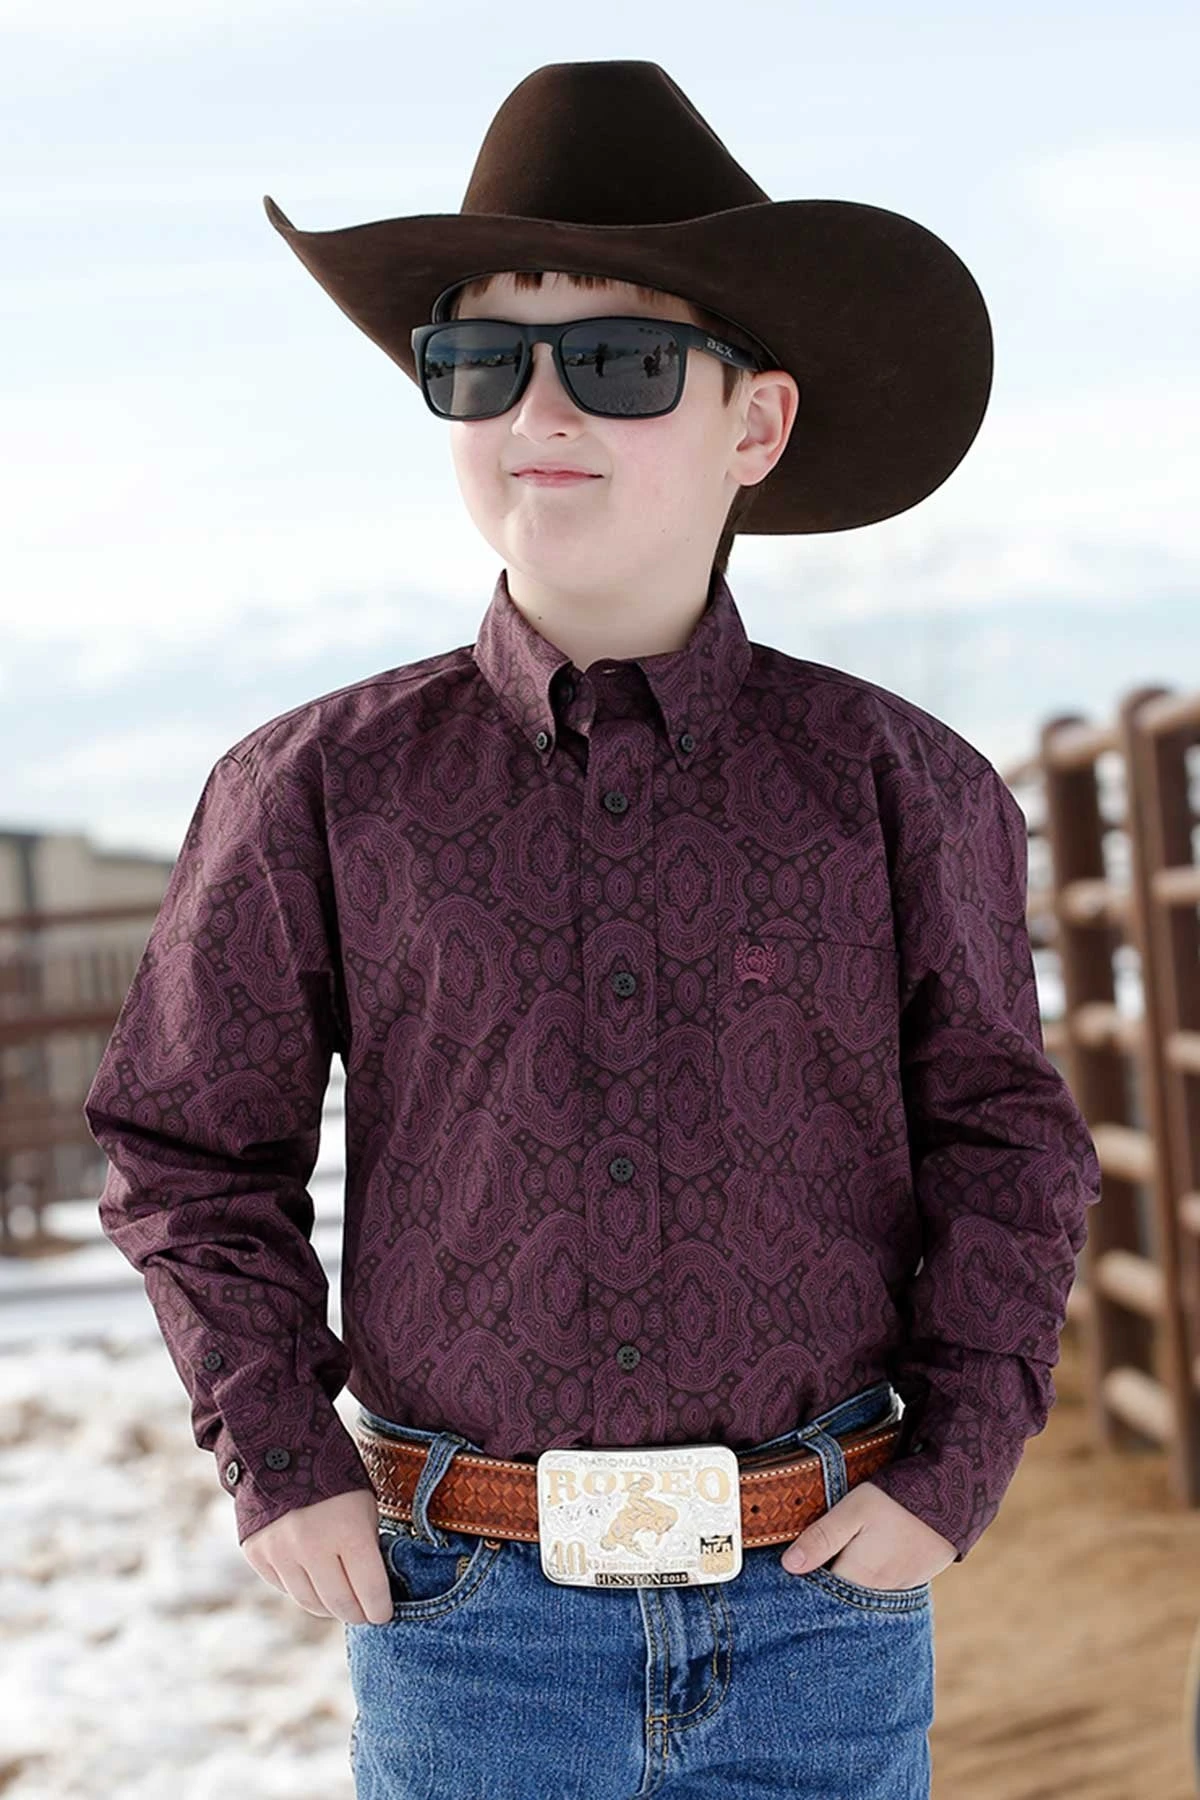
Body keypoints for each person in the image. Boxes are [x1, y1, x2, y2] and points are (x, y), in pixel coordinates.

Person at [83, 59, 1103, 1799]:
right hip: (465, 1622)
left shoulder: (903, 784)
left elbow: (1009, 1143)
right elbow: (186, 1147)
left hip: (819, 1613)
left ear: (754, 426)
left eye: (618, 363)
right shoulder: (312, 788)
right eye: (480, 361)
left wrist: (955, 1469)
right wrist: (278, 1452)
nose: (538, 408)